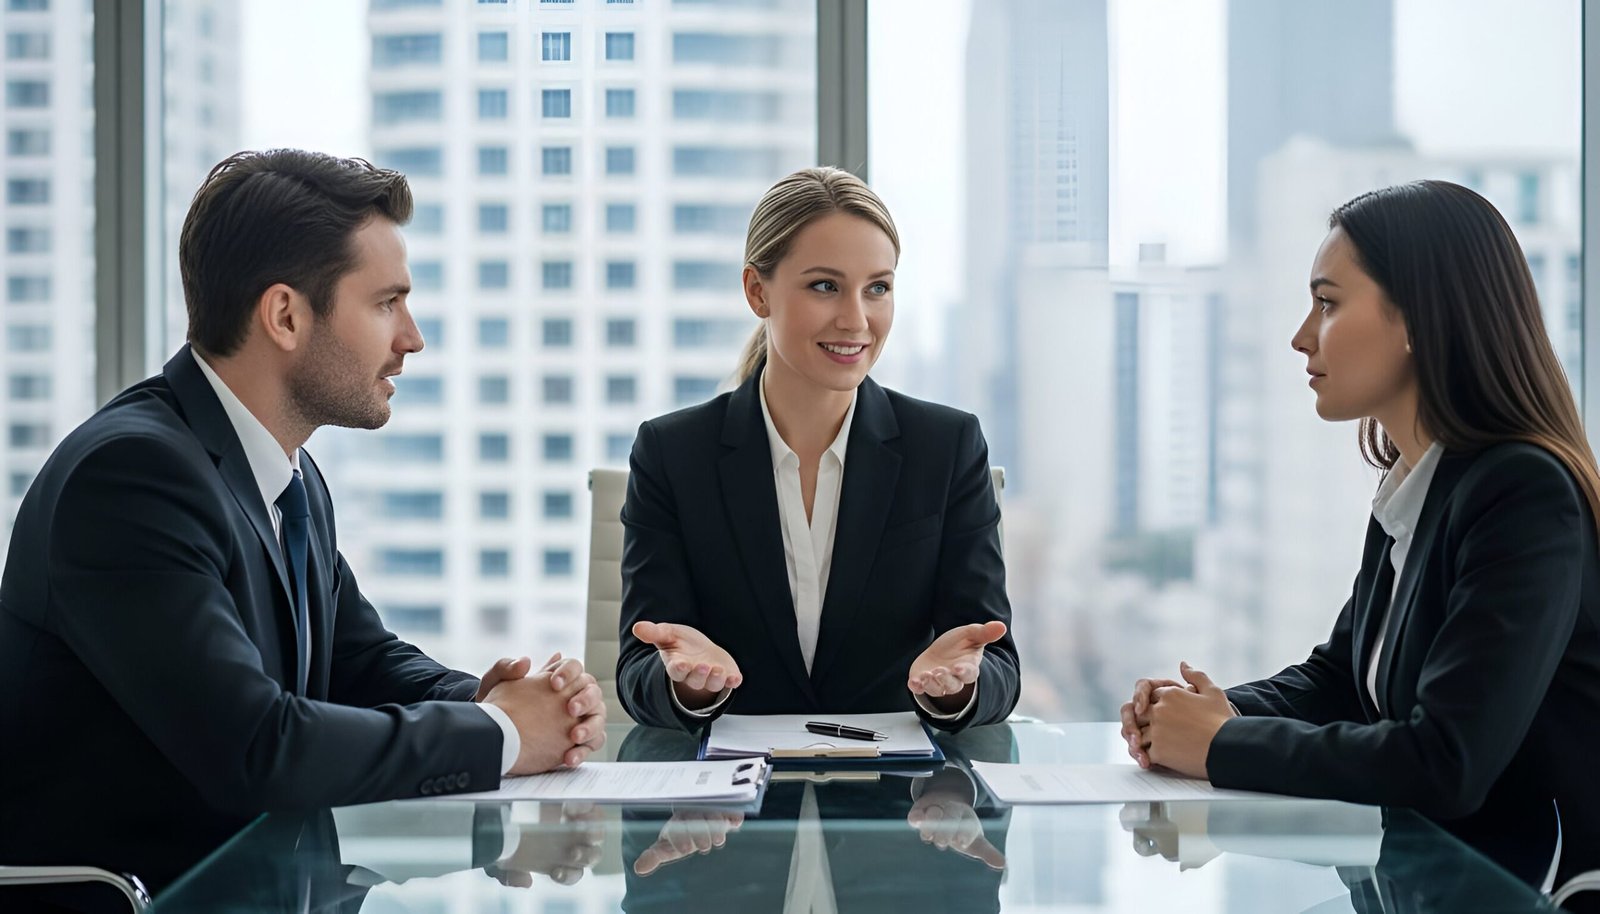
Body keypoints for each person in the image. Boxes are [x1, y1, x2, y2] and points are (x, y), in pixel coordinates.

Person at [0, 149, 606, 895]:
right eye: (386, 303)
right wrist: (504, 734)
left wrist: (499, 702)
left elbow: (358, 663)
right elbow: (257, 746)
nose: (411, 338)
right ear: (286, 315)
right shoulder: (131, 478)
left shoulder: (288, 473)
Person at [1118, 180, 1600, 902]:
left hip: (1529, 890)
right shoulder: (1420, 481)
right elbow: (1344, 679)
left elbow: (1445, 760)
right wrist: (1204, 714)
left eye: (1329, 303)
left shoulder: (1524, 495)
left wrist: (1221, 744)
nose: (1302, 335)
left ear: (1417, 318)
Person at [616, 166, 1020, 731]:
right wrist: (682, 684)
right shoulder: (672, 453)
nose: (857, 320)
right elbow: (639, 664)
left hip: (902, 802)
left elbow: (995, 657)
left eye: (877, 287)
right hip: (730, 807)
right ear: (758, 291)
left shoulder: (947, 446)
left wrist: (956, 689)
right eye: (825, 286)